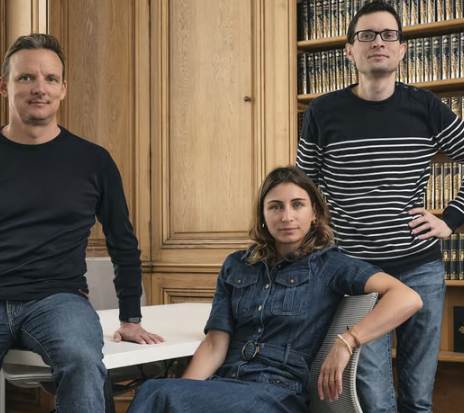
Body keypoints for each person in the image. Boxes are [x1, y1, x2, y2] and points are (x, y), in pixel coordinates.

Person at [0, 33, 163, 413]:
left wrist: (131, 317)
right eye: (26, 78)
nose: (40, 88)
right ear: (4, 86)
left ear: (63, 88)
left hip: (58, 301)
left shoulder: (94, 162)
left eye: (50, 79)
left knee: (83, 362)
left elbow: (123, 243)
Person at [296, 0, 464, 413]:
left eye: (389, 35)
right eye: (366, 35)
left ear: (402, 49)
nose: (378, 42)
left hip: (419, 269)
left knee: (417, 397)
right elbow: (304, 189)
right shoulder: (322, 111)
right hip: (357, 274)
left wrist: (450, 220)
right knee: (372, 397)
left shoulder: (425, 107)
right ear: (349, 50)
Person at [126, 166, 423, 413]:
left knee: (157, 392)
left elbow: (407, 298)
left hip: (279, 396)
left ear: (314, 213)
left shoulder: (331, 265)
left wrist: (347, 341)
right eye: (275, 206)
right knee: (161, 392)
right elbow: (215, 345)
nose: (286, 216)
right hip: (226, 385)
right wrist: (185, 392)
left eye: (298, 205)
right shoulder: (236, 265)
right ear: (263, 216)